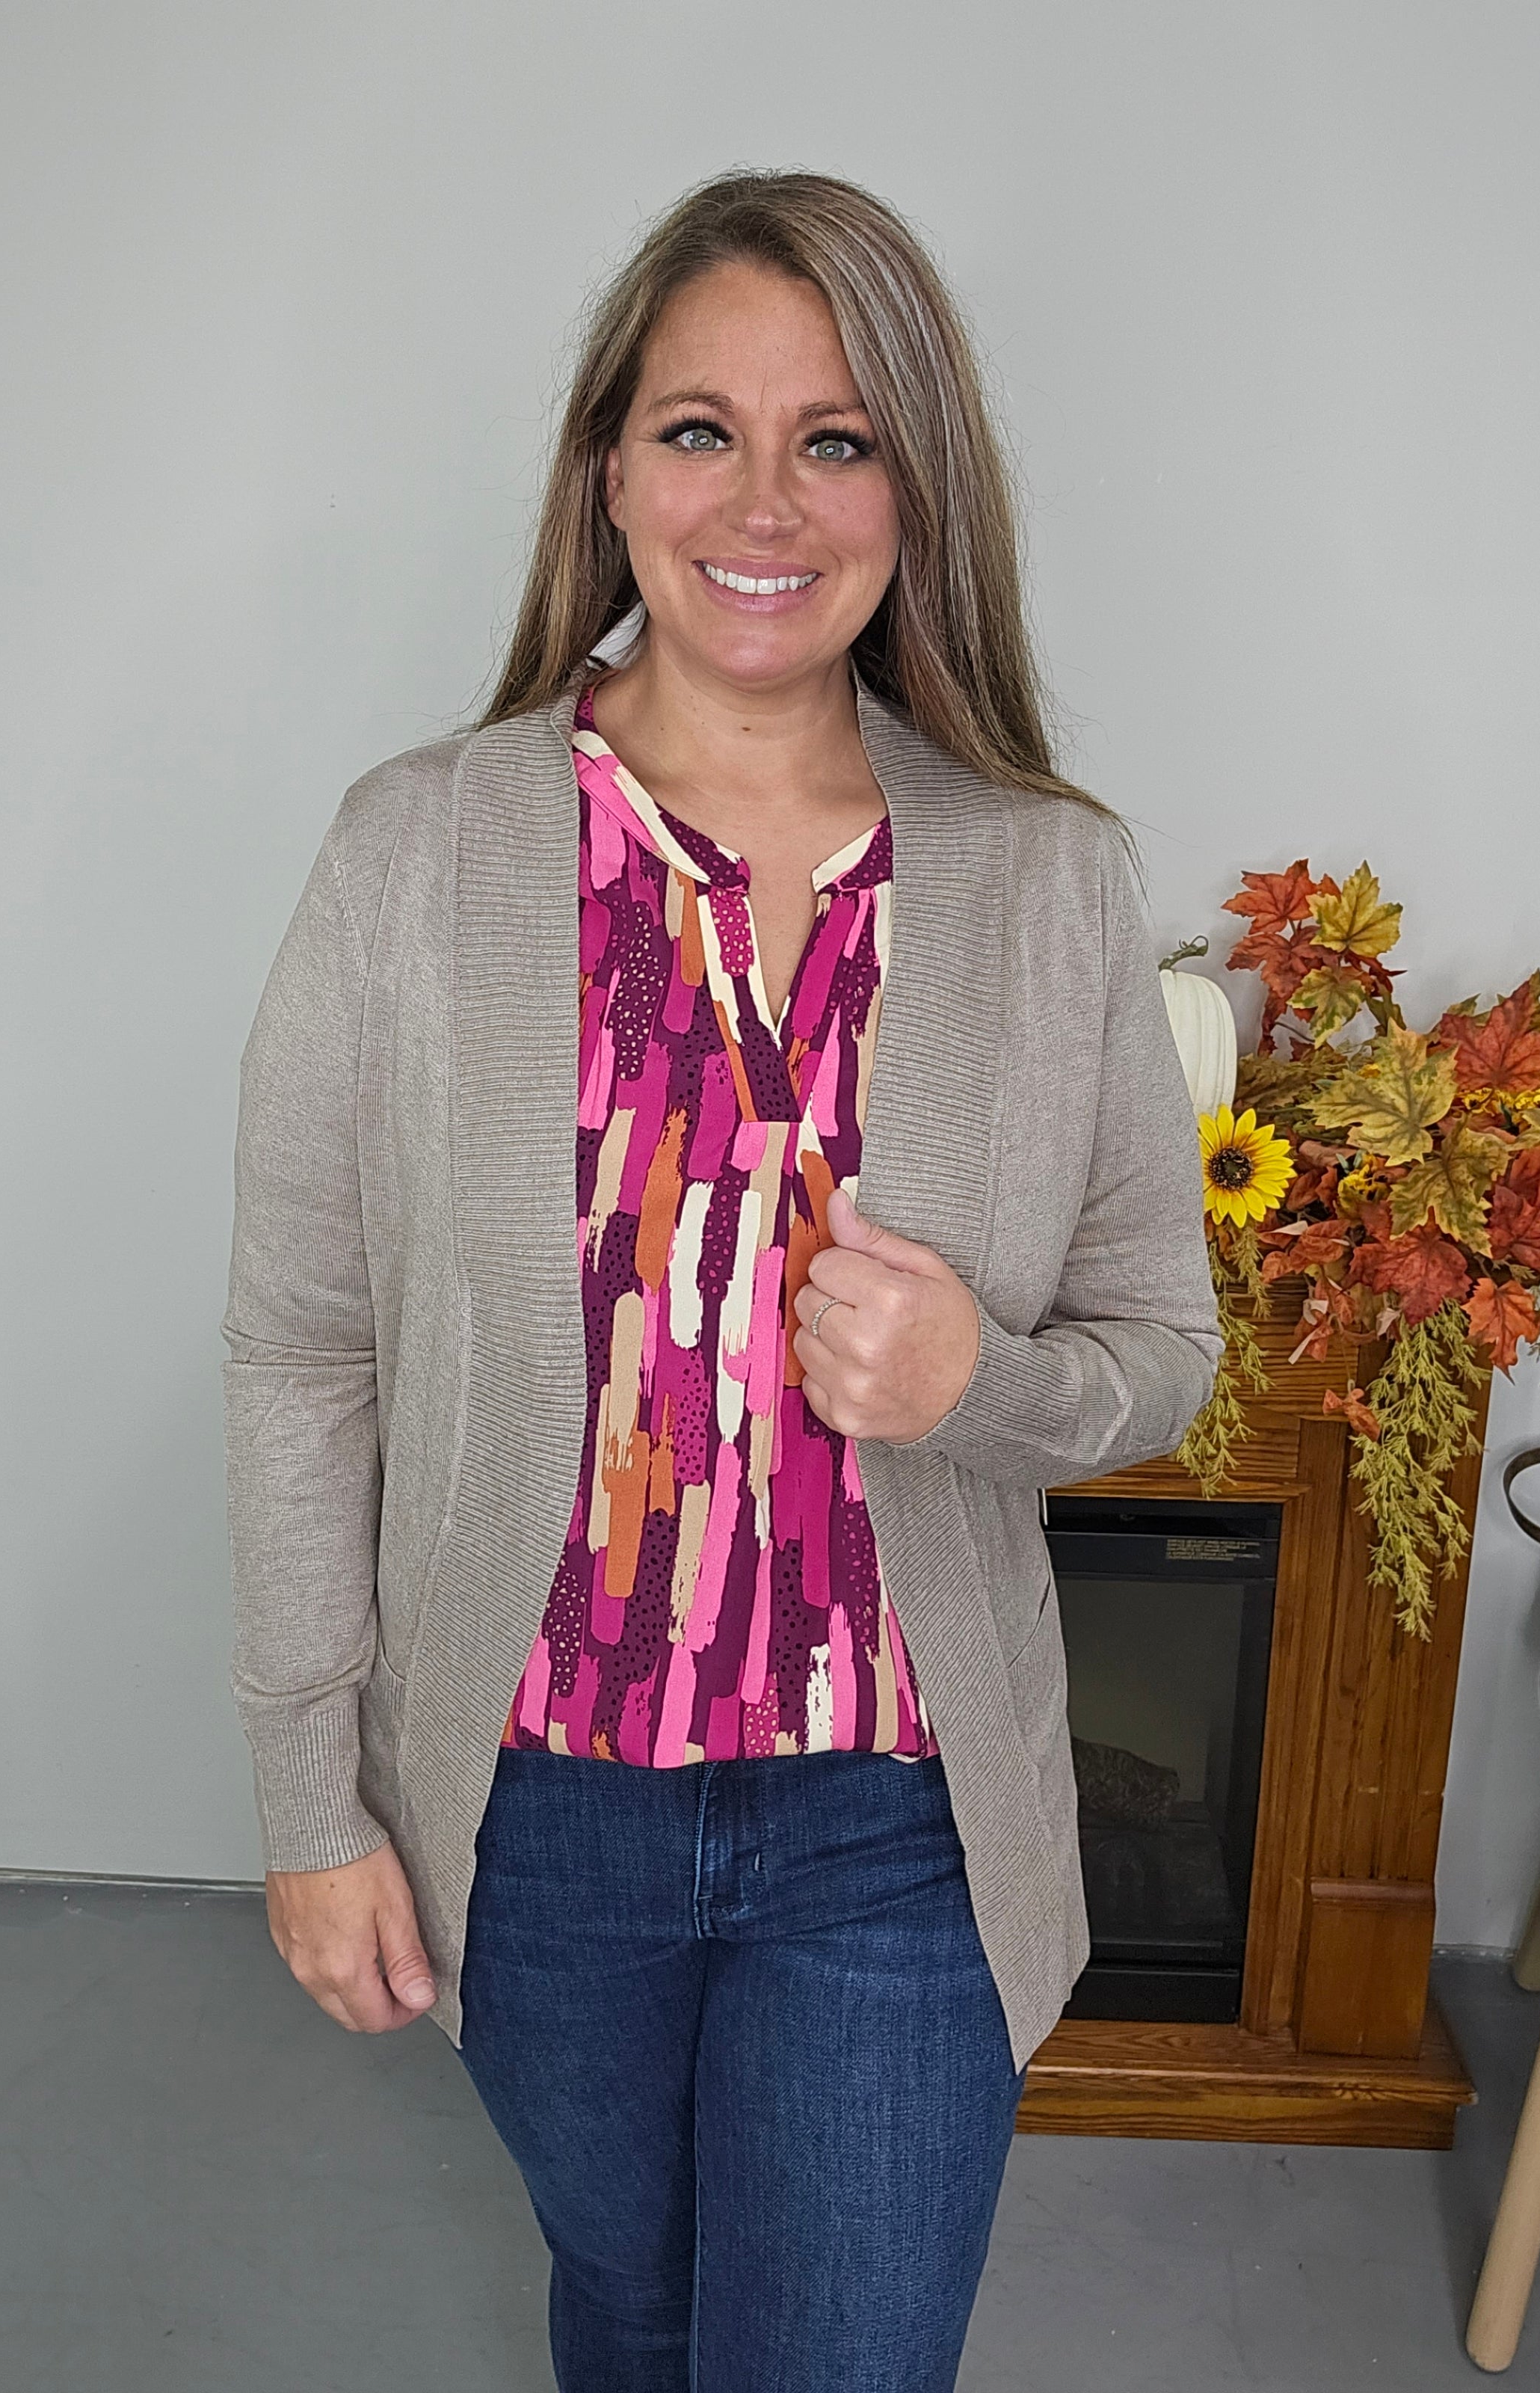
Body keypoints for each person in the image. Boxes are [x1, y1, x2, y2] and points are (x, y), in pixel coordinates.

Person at [223, 168, 1221, 2393]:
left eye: (835, 440)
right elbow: (305, 1345)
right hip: (539, 1810)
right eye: (702, 430)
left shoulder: (1051, 882)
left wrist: (980, 1382)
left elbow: (1163, 1351)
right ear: (610, 470)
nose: (765, 503)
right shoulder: (418, 851)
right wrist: (311, 1800)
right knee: (638, 2311)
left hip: (898, 1815)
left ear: (913, 490)